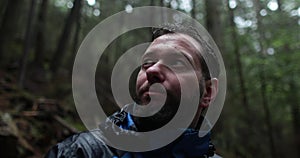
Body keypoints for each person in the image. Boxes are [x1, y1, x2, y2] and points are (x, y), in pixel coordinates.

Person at [45, 24, 221, 158]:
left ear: (207, 92)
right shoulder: (81, 152)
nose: (152, 70)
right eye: (147, 63)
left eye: (177, 63)